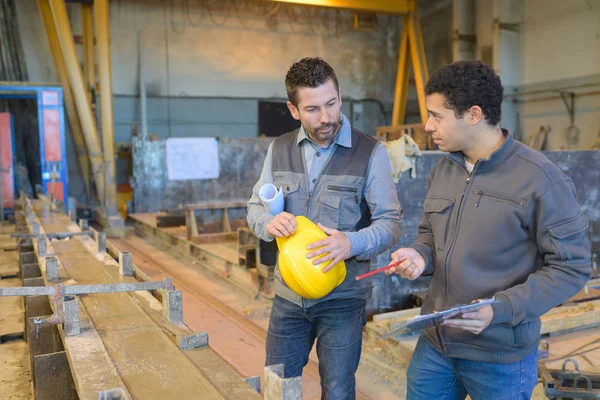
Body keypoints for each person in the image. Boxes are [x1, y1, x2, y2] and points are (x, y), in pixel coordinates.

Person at [386, 60, 592, 399]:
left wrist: (502, 309)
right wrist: (419, 256)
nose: (427, 125)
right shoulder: (443, 169)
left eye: (437, 116)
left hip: (500, 357)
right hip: (437, 346)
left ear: (474, 114)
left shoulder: (541, 180)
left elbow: (572, 266)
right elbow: (429, 235)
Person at [247, 57, 403, 399]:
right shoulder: (279, 149)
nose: (327, 117)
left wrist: (352, 243)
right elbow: (255, 207)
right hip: (289, 296)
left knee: (337, 389)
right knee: (278, 384)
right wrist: (269, 223)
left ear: (340, 95)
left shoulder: (370, 153)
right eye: (313, 109)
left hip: (343, 300)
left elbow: (391, 224)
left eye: (331, 104)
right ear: (293, 109)